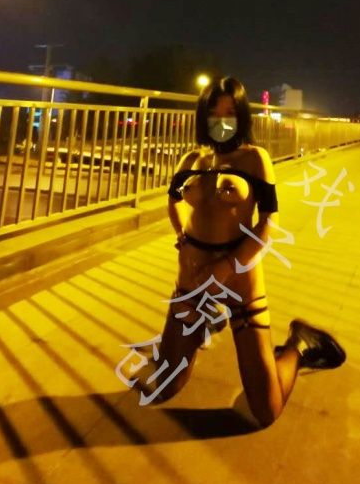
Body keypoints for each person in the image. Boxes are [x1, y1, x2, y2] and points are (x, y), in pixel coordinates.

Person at [132, 76, 345, 428]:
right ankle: (200, 326)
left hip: (240, 286)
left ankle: (297, 346)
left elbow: (269, 222)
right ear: (203, 117)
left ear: (241, 116)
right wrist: (182, 236)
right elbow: (173, 201)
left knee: (265, 409)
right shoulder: (193, 159)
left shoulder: (255, 159)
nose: (221, 121)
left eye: (229, 113)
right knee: (165, 386)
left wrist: (226, 267)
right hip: (192, 286)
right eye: (214, 113)